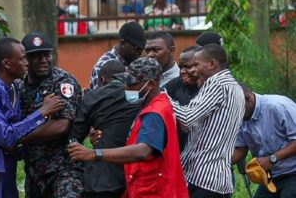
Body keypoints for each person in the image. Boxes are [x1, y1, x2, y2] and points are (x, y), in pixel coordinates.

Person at [68, 57, 188, 197]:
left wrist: (94, 153)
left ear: (150, 84)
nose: (126, 88)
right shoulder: (157, 103)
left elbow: (142, 151)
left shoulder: (154, 113)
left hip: (156, 191)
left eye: (131, 84)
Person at [170, 44, 245, 198]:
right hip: (218, 179)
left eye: (196, 65)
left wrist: (162, 97)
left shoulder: (216, 84)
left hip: (203, 178)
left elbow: (186, 119)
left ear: (212, 64)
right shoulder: (235, 87)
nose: (193, 70)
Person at [0, 38, 64, 198]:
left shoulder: (13, 88)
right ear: (7, 63)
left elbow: (17, 134)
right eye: (22, 59)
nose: (27, 63)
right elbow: (6, 136)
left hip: (8, 168)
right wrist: (42, 112)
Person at [20, 31, 84, 198]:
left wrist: (20, 136)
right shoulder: (20, 87)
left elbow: (62, 126)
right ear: (25, 60)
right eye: (36, 56)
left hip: (63, 171)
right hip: (34, 173)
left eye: (46, 54)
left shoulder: (62, 82)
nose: (43, 60)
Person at [69, 60, 140, 198]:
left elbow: (74, 139)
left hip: (101, 179)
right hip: (133, 173)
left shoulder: (91, 97)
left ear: (101, 79)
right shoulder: (138, 95)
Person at [232, 84, 296, 198]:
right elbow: (240, 150)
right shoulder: (239, 118)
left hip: (293, 172)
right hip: (269, 177)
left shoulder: (278, 106)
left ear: (247, 98)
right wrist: (218, 162)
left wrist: (272, 159)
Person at [164, 45, 201, 152]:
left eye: (188, 67)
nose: (182, 72)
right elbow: (158, 96)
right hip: (178, 151)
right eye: (180, 67)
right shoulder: (177, 83)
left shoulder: (210, 88)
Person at [90, 21, 146, 89]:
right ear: (122, 43)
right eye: (136, 48)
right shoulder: (104, 66)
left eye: (141, 49)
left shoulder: (135, 63)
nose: (139, 53)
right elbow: (100, 97)